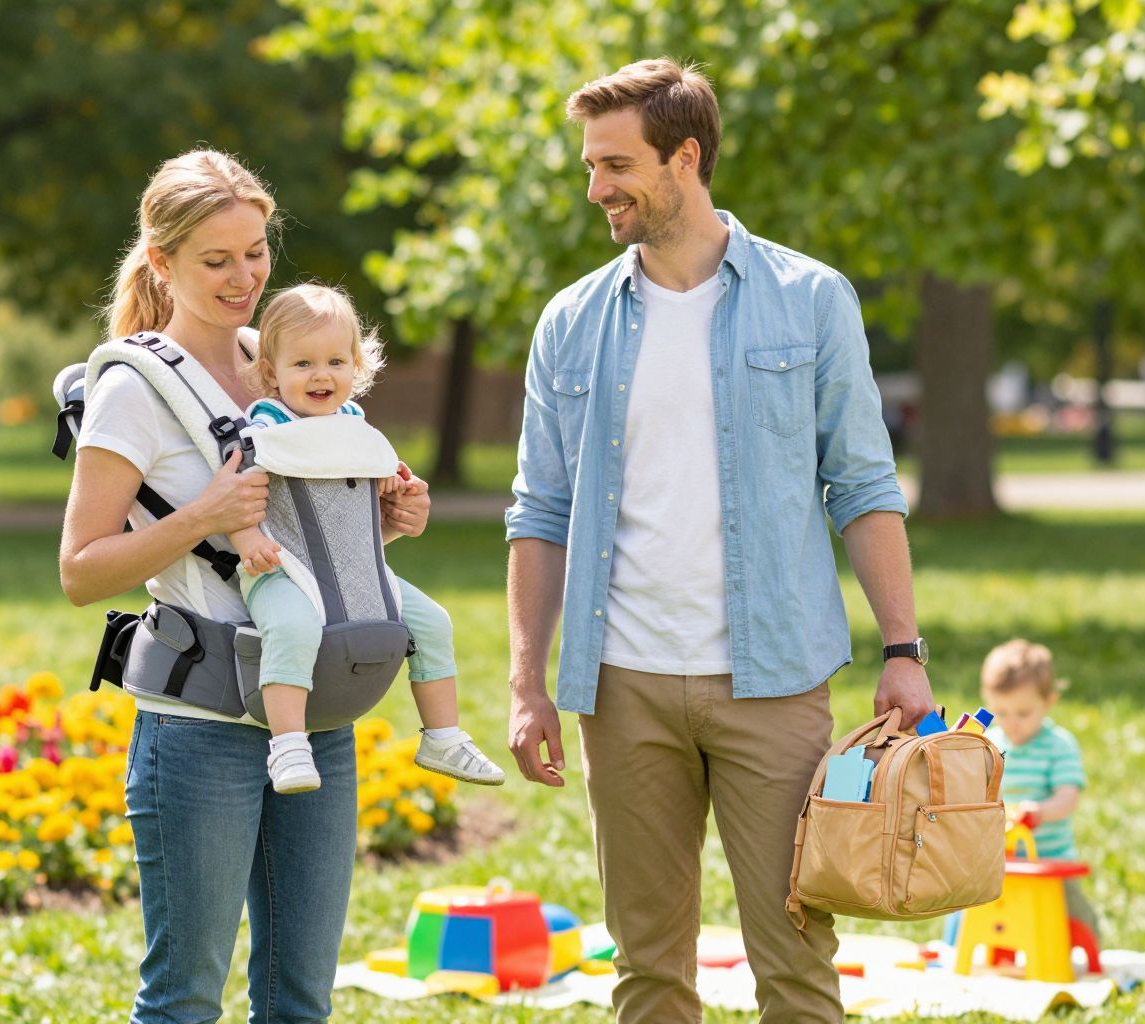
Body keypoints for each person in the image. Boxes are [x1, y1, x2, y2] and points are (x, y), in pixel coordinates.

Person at [503, 59, 935, 1023]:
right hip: (621, 686)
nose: (595, 188)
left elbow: (862, 484)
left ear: (685, 157)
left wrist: (903, 651)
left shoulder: (810, 298)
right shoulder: (569, 323)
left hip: (775, 681)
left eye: (614, 164)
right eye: (588, 165)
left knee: (796, 961)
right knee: (648, 970)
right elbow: (538, 511)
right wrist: (528, 682)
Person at [58, 149, 431, 1024]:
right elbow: (79, 572)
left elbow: (307, 536)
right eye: (215, 261)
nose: (244, 278)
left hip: (317, 716)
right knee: (187, 999)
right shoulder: (131, 391)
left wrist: (386, 520)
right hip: (201, 730)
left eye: (256, 252)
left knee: (302, 998)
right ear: (162, 263)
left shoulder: (288, 363)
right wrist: (204, 514)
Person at [227, 283, 504, 794]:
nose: (321, 375)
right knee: (291, 630)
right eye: (303, 363)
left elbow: (366, 496)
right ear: (271, 373)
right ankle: (288, 745)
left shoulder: (355, 424)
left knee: (433, 623)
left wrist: (397, 492)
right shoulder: (267, 423)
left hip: (358, 570)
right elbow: (234, 491)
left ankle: (443, 735)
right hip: (281, 570)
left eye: (336, 360)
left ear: (357, 365)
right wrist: (246, 540)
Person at [980, 638, 1098, 938]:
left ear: (1049, 701)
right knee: (979, 917)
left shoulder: (1058, 745)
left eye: (1023, 713)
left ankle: (1091, 950)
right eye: (1002, 713)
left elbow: (1067, 799)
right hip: (1001, 862)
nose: (1012, 723)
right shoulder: (990, 745)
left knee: (1073, 919)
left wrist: (1041, 812)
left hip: (1051, 860)